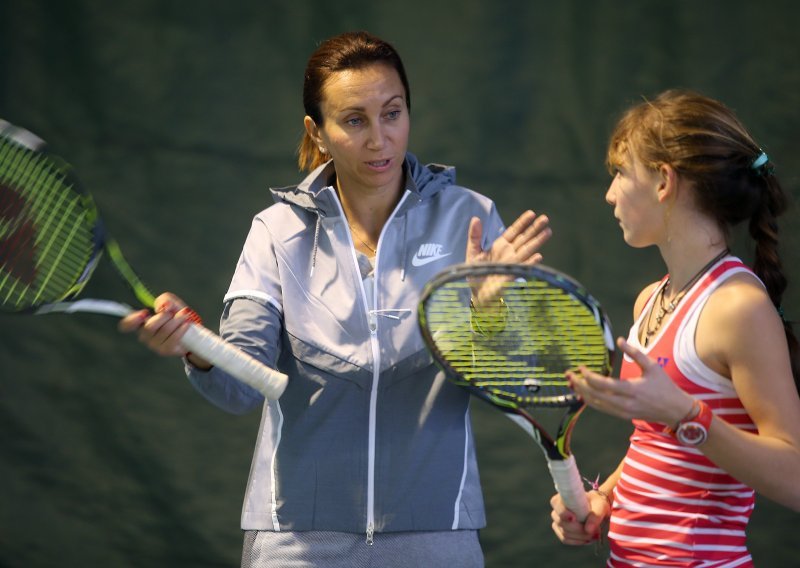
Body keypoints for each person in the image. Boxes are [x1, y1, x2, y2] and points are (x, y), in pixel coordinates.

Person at [120, 31, 551, 567]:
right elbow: (240, 387)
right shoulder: (275, 233)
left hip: (436, 534)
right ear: (317, 132)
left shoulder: (472, 221)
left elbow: (513, 387)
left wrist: (489, 313)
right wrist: (196, 348)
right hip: (298, 541)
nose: (379, 139)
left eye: (392, 114)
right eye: (354, 120)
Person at [549, 89, 800, 567]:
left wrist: (688, 414)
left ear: (664, 181)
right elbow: (654, 442)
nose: (609, 193)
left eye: (621, 174)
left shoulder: (738, 308)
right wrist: (605, 497)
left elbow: (795, 478)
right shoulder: (652, 299)